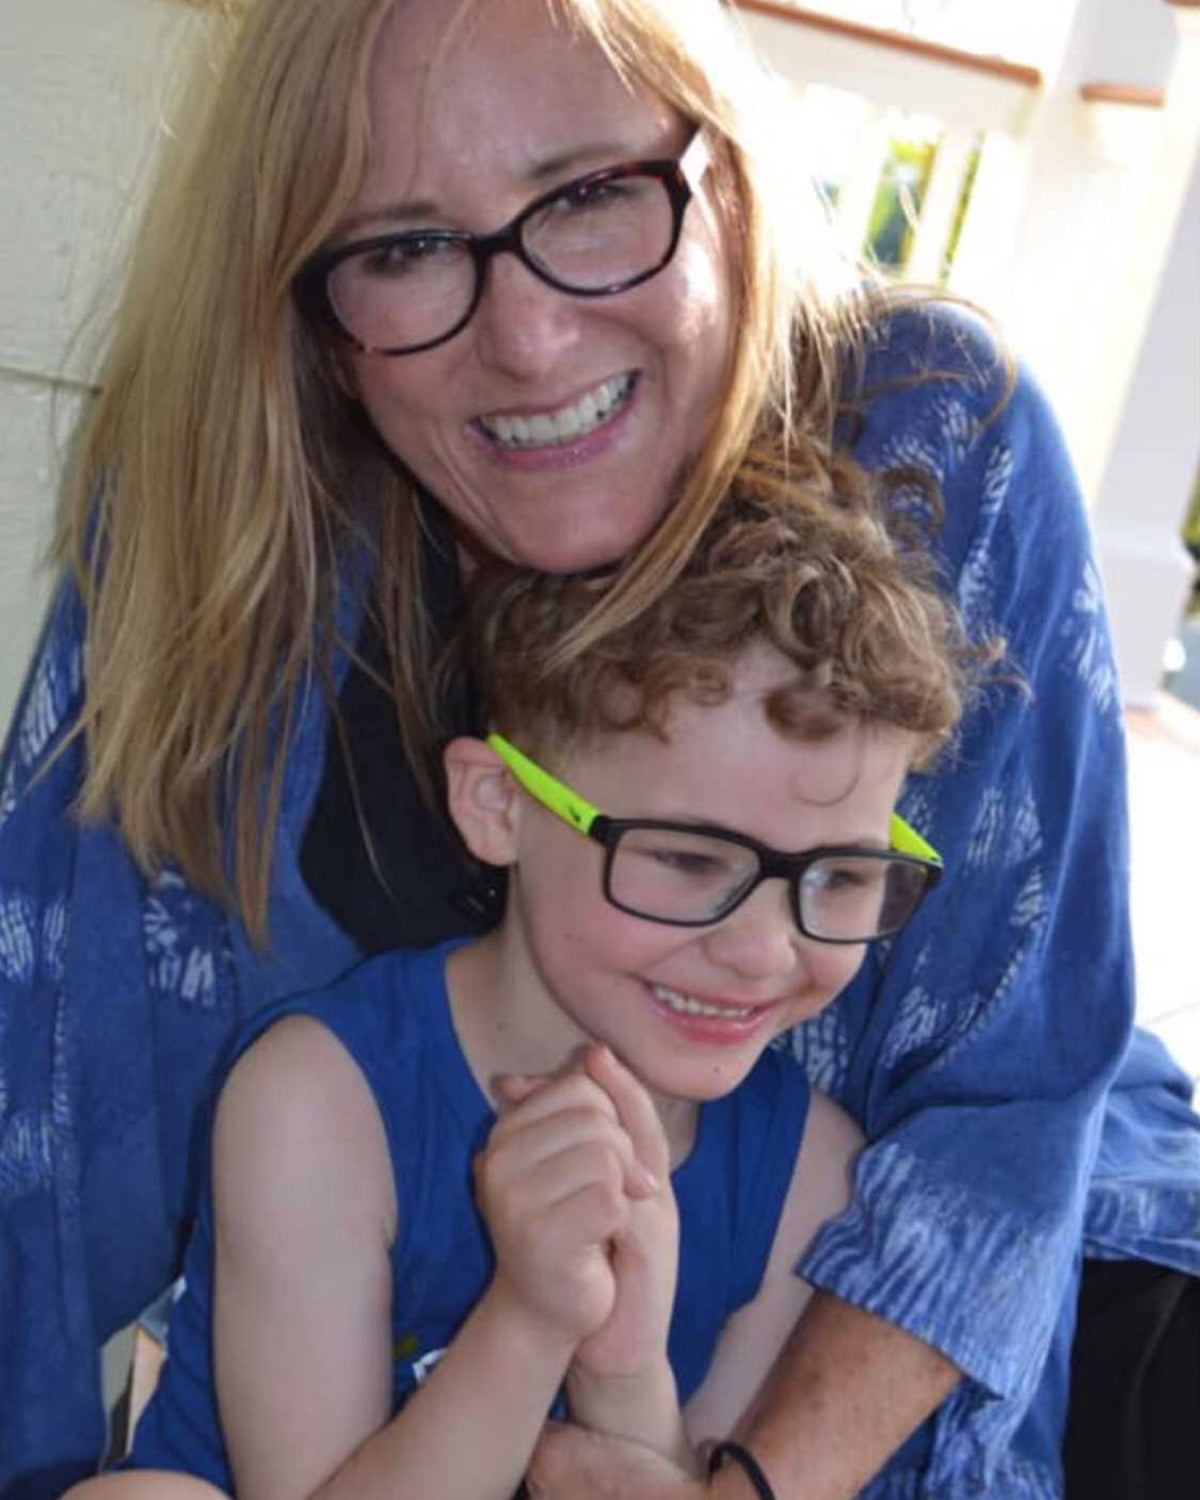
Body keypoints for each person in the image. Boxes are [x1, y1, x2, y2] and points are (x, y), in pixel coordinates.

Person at [0, 0, 1195, 1496]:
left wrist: (728, 1478)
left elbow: (1013, 1107)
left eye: (584, 196)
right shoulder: (237, 517)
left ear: (727, 184)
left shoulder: (937, 448)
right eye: (403, 246)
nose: (528, 335)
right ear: (310, 307)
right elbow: (30, 1076)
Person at [68, 473, 973, 1496]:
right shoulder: (317, 1105)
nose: (765, 951)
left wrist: (624, 1372)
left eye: (842, 876)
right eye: (685, 860)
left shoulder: (811, 1177)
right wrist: (531, 1319)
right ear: (500, 804)